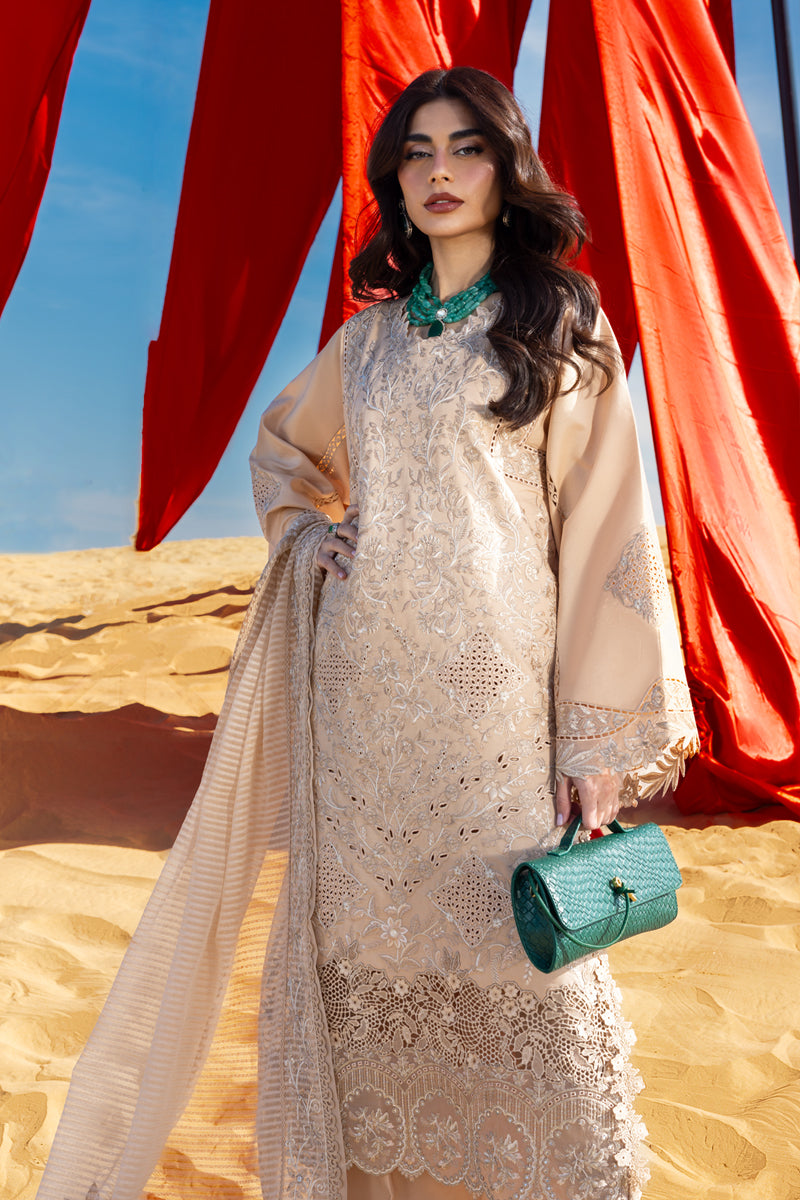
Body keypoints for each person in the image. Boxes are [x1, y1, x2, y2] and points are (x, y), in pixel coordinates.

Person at [38, 68, 698, 1200]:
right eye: (416, 153)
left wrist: (594, 737)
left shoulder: (559, 320)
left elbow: (605, 536)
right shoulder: (369, 345)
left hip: (496, 705)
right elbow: (283, 455)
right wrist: (310, 538)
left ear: (506, 168)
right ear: (395, 180)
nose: (439, 173)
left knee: (523, 955)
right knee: (363, 960)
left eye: (466, 148)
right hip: (362, 713)